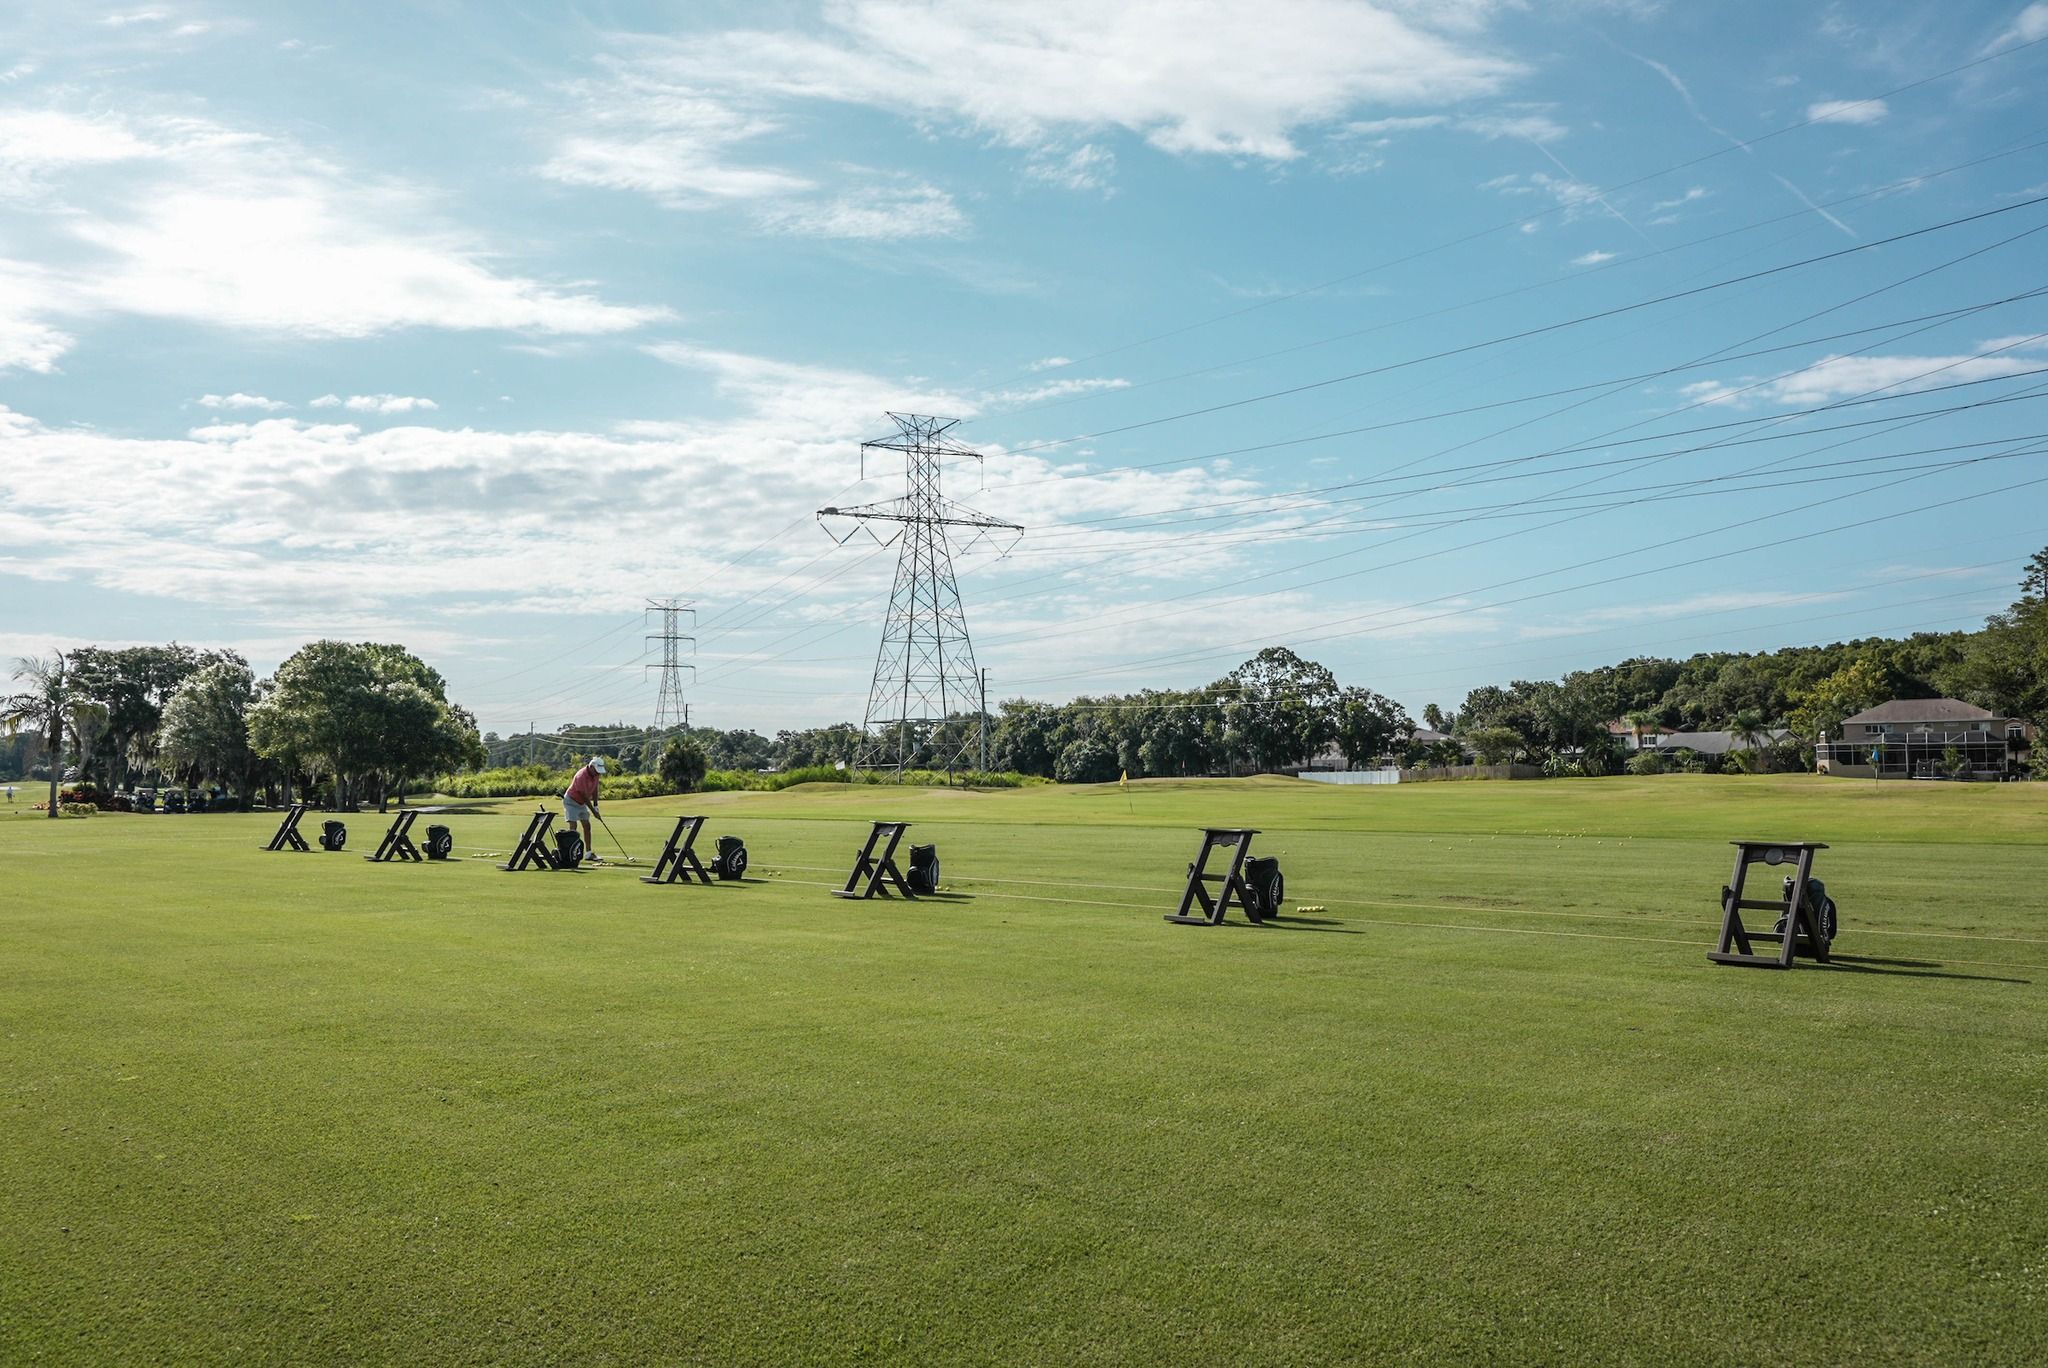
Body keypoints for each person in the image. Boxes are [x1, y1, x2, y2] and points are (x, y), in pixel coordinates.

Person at [563, 755, 606, 863]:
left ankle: (588, 853)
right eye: (596, 771)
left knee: (587, 825)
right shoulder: (581, 775)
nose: (598, 773)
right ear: (591, 767)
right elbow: (584, 797)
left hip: (581, 802)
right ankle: (570, 852)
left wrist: (596, 806)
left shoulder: (595, 774)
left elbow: (595, 789)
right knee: (573, 826)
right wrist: (593, 812)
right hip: (571, 801)